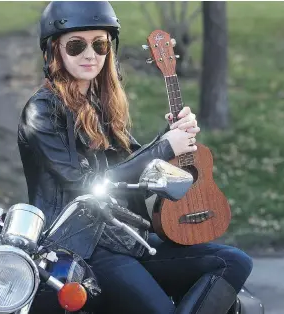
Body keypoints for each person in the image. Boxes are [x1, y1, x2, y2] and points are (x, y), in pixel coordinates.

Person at [17, 2, 253, 313]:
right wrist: (165, 146)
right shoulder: (43, 111)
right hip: (81, 248)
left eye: (99, 44)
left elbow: (134, 164)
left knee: (234, 262)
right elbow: (83, 183)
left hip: (125, 237)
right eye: (76, 45)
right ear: (54, 51)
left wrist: (172, 137)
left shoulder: (100, 105)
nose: (90, 54)